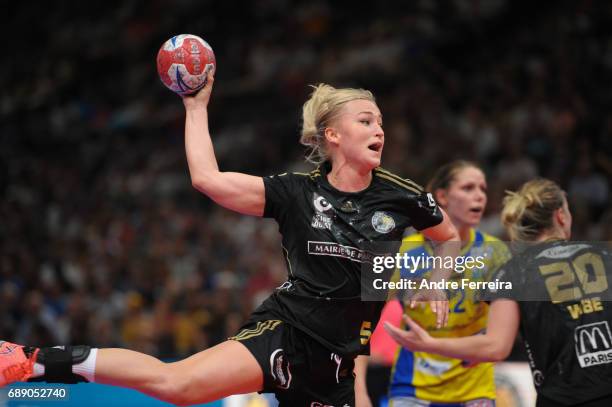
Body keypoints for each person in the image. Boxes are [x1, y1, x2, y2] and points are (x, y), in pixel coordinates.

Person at [0, 70, 460, 407]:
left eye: (380, 121)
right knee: (177, 386)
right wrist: (195, 106)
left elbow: (449, 238)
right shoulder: (295, 191)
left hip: (337, 362)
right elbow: (206, 178)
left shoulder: (403, 196)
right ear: (333, 135)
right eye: (365, 120)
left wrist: (438, 279)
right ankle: (28, 359)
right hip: (288, 332)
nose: (379, 129)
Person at [385, 179, 612, 407]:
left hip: (563, 398)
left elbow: (496, 346)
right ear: (561, 216)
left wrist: (428, 344)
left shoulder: (514, 271)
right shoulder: (605, 256)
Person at [360, 161, 511, 406]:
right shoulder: (401, 252)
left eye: (482, 189)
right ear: (442, 196)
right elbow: (359, 323)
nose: (479, 196)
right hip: (412, 390)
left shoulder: (495, 252)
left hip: (474, 391)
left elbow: (502, 336)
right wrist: (358, 391)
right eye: (468, 188)